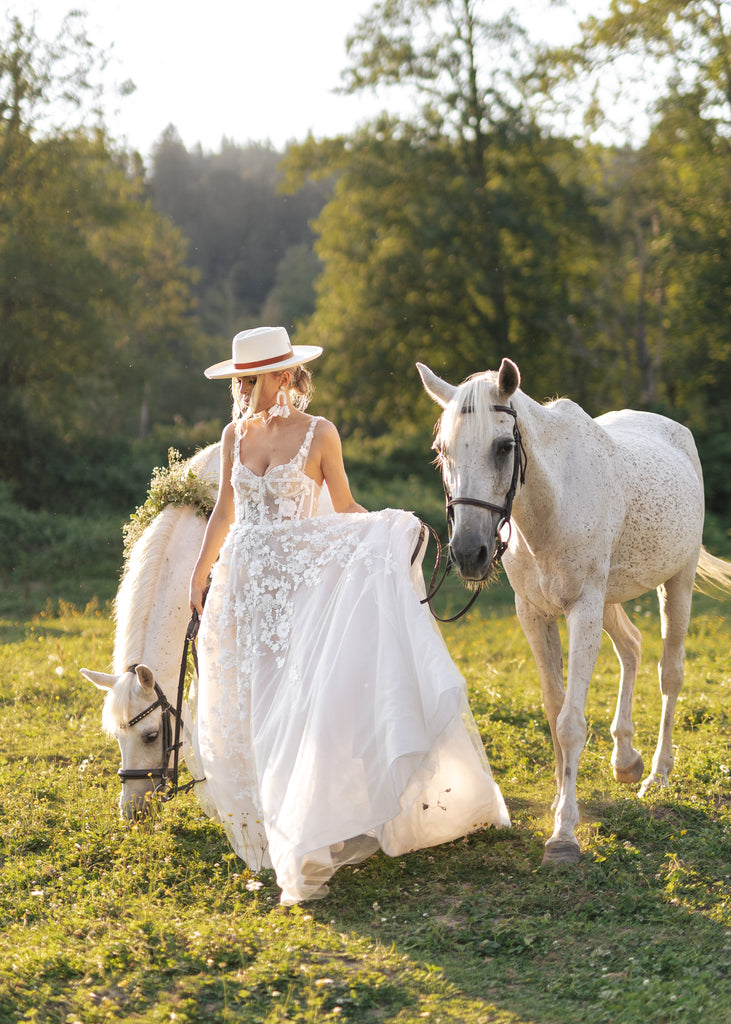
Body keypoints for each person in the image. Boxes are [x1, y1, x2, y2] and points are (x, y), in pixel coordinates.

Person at [189, 326, 509, 905]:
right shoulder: (234, 434)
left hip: (302, 588)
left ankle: (312, 828)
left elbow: (343, 509)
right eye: (241, 379)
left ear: (282, 376)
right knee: (251, 702)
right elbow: (222, 514)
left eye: (252, 377)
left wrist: (389, 532)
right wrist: (199, 572)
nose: (245, 389)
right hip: (244, 587)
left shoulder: (320, 433)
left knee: (298, 703)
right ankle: (273, 823)